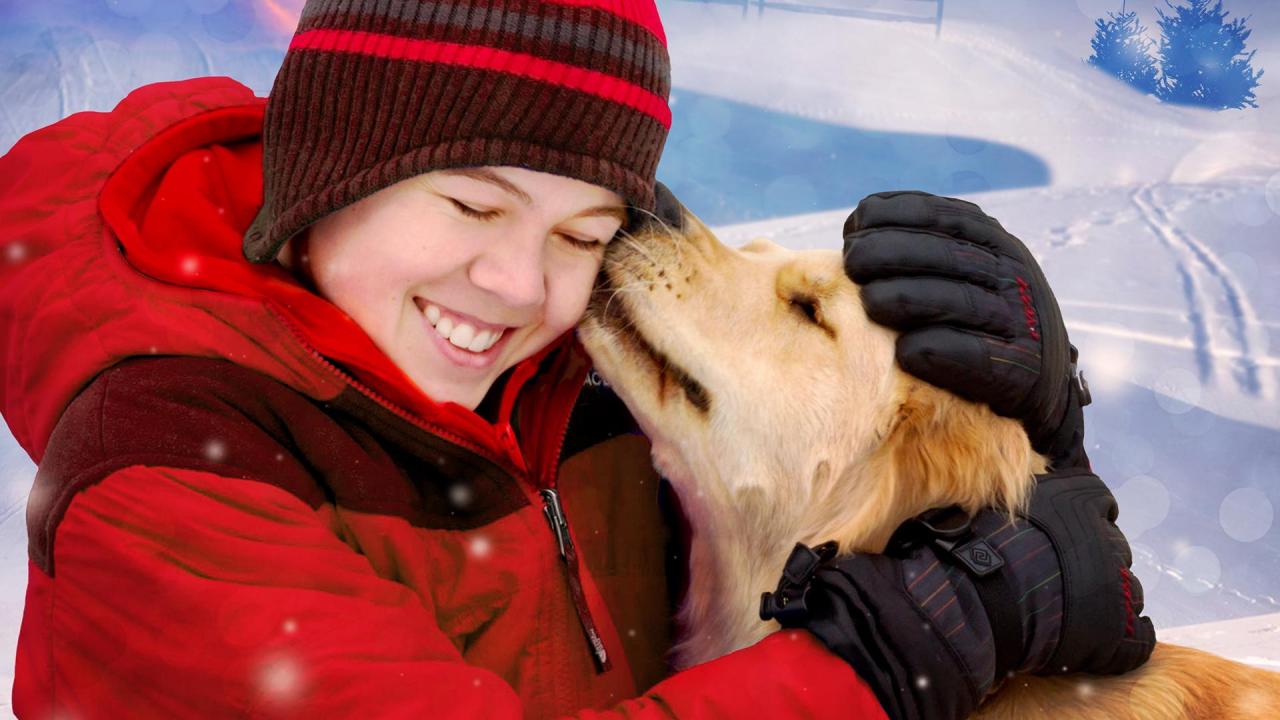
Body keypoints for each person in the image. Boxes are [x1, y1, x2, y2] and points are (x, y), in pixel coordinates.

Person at [0, 1, 1152, 718]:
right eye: (467, 202)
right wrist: (883, 663)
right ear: (327, 177)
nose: (515, 285)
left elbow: (800, 524)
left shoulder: (557, 376)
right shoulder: (168, 479)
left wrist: (1002, 446)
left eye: (582, 235)